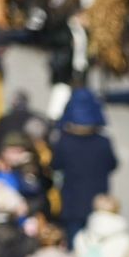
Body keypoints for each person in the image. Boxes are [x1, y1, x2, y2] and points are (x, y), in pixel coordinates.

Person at [51, 90, 117, 241]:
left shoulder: (64, 141)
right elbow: (112, 164)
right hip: (98, 205)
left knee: (75, 249)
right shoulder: (103, 142)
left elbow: (55, 165)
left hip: (71, 205)